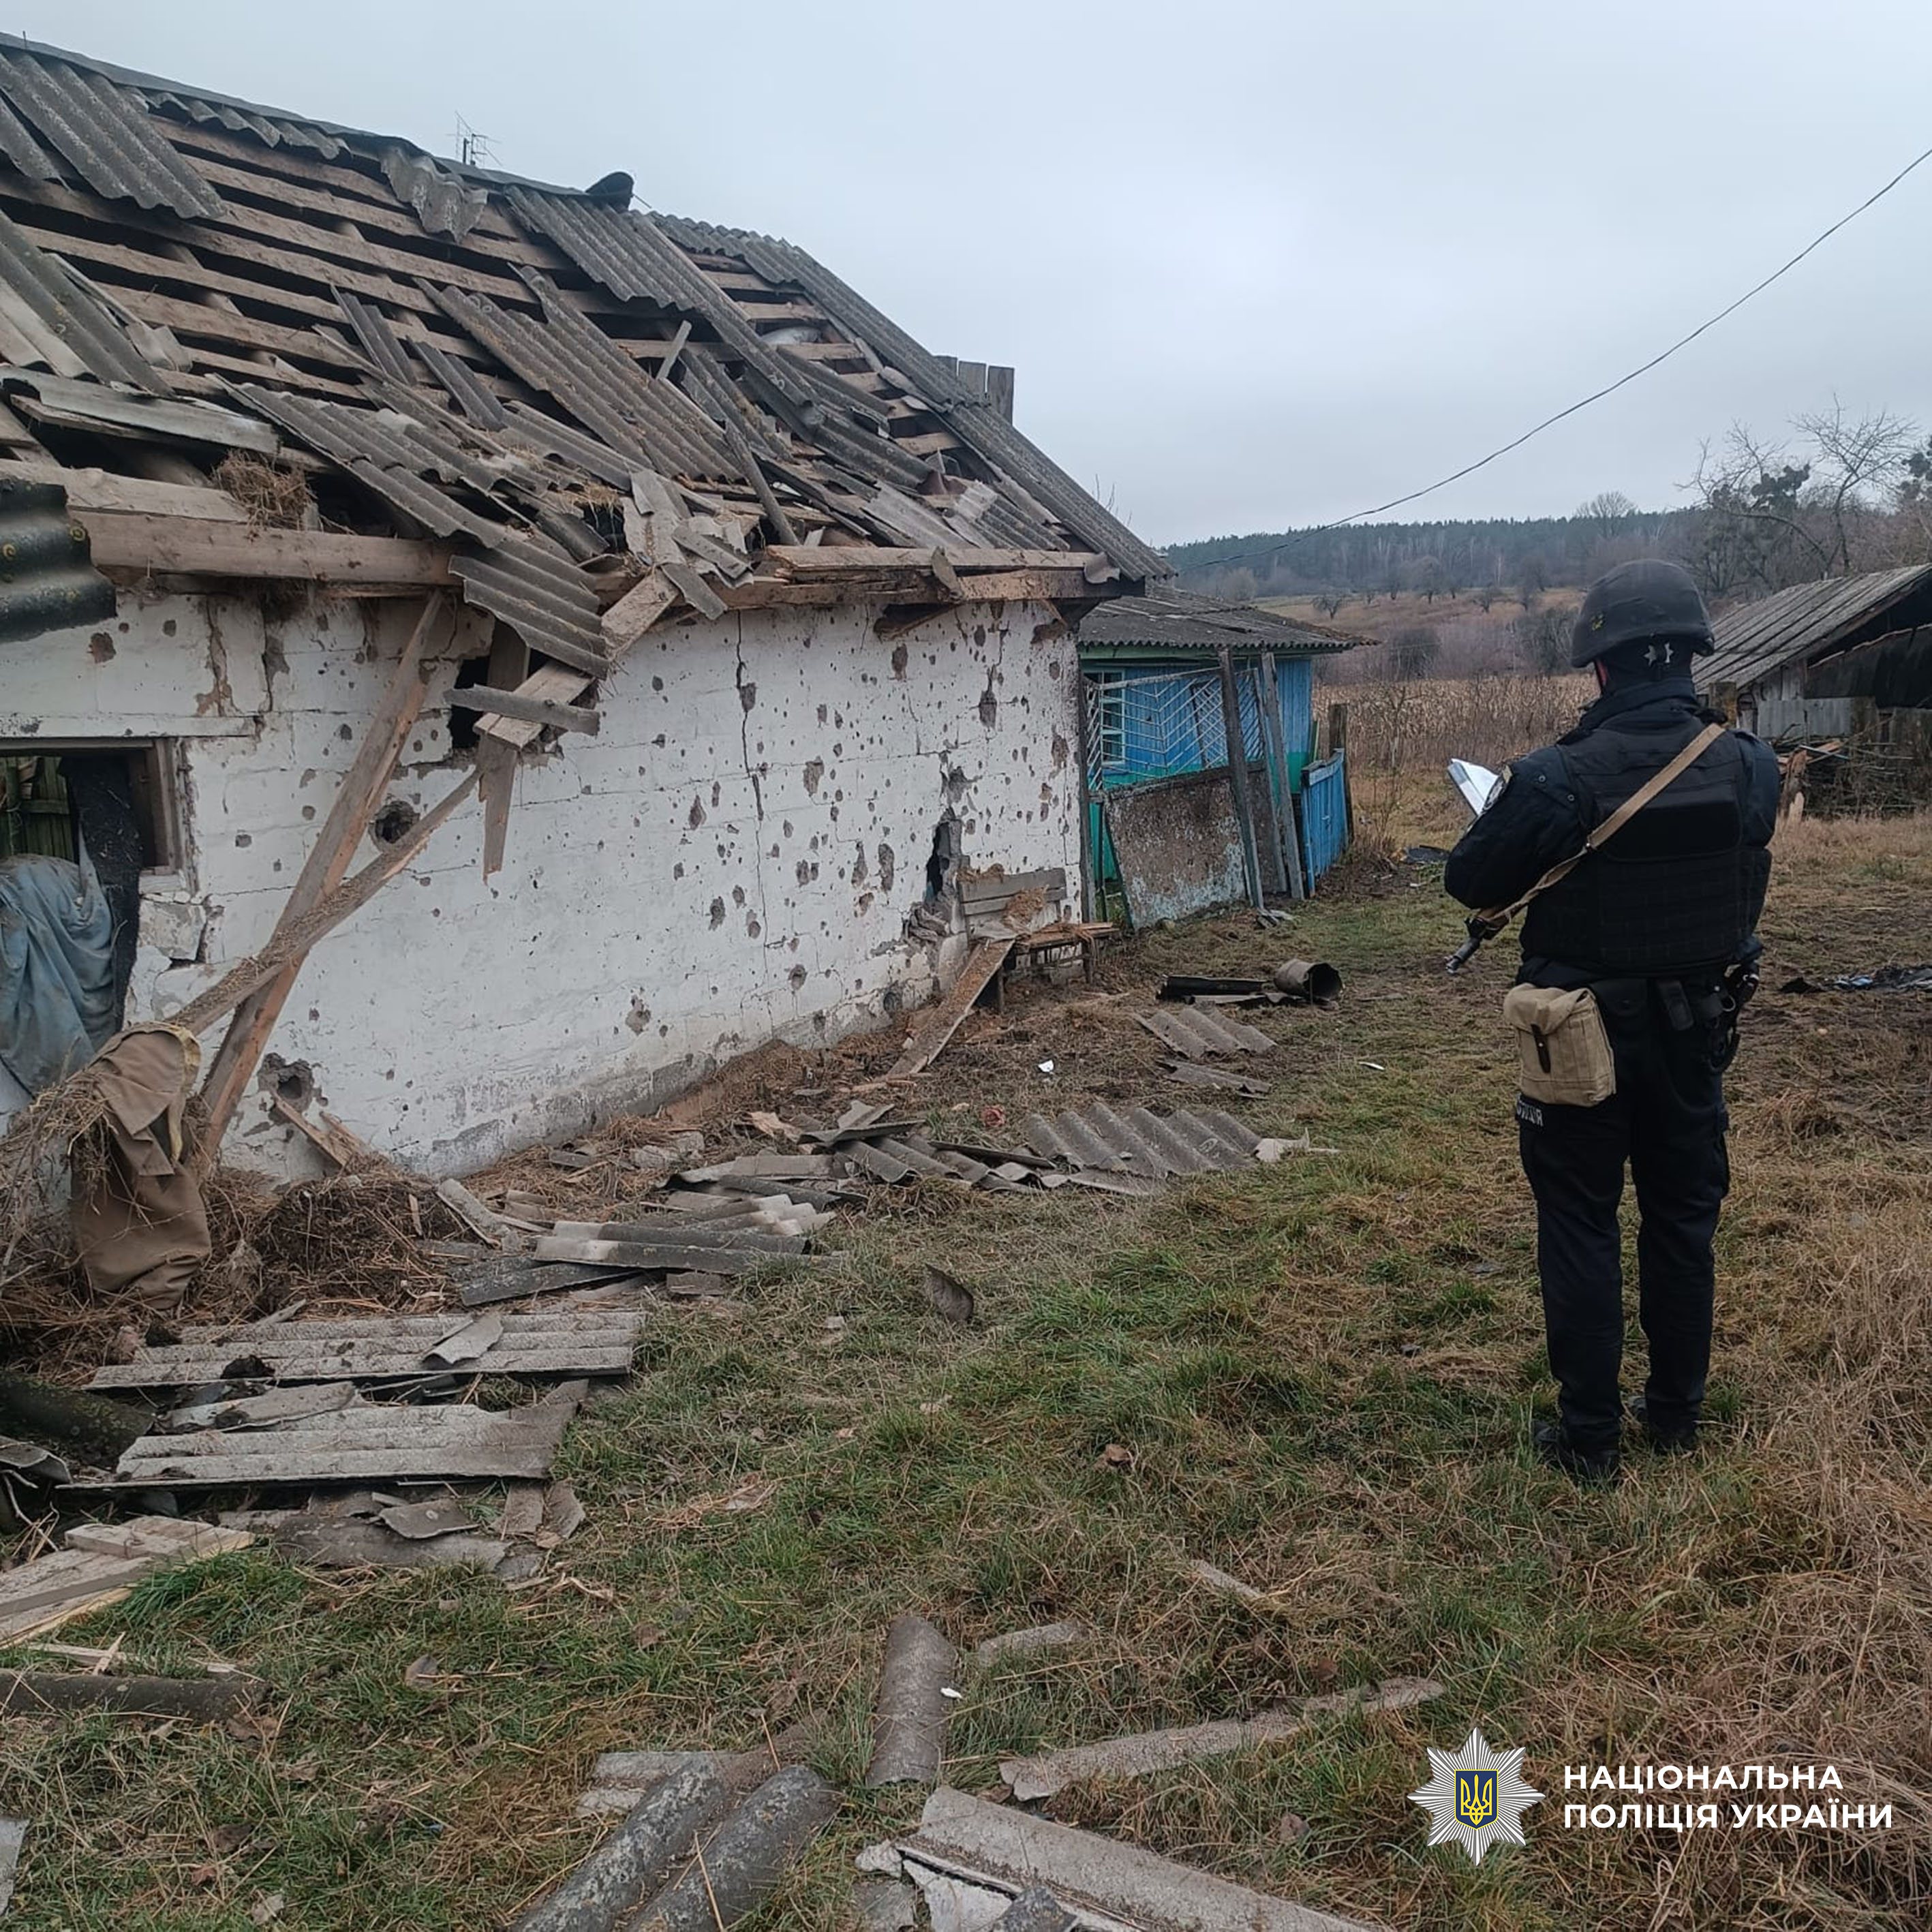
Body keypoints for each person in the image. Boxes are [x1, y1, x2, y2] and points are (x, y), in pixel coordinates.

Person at [1445, 560, 1779, 1483]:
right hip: (1697, 1031)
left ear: (1600, 667)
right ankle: (1675, 1418)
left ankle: (1589, 1439)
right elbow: (1741, 886)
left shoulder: (1555, 777)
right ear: (1692, 657)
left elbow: (1470, 880)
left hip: (1578, 1040)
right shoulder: (1751, 765)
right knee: (1683, 1221)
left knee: (1580, 1223)